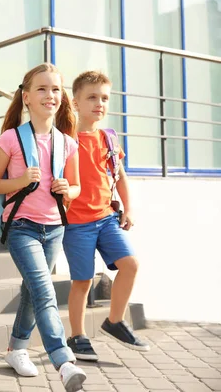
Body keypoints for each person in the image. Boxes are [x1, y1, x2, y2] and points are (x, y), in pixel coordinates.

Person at [0, 63, 87, 392]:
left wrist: (66, 190)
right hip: (22, 228)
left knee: (32, 291)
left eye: (56, 89)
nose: (50, 95)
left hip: (54, 228)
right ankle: (63, 361)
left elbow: (78, 187)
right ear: (26, 97)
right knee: (44, 291)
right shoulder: (11, 138)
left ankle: (16, 349)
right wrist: (18, 180)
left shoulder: (67, 143)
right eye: (42, 89)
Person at [63, 70, 149, 361]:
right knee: (83, 281)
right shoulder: (65, 140)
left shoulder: (109, 139)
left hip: (106, 219)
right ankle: (76, 336)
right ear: (75, 103)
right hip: (76, 225)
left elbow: (121, 177)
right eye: (91, 97)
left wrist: (129, 208)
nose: (99, 103)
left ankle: (114, 321)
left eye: (104, 98)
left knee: (131, 265)